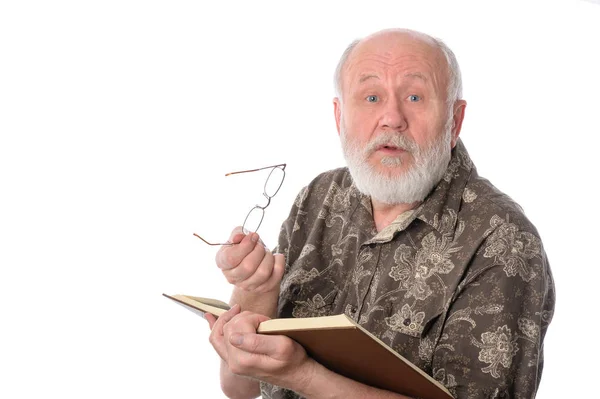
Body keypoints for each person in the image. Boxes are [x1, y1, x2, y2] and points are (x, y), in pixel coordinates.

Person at [204, 28, 555, 399]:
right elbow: (238, 387)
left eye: (415, 97)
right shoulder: (319, 198)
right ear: (340, 117)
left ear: (454, 120)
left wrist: (304, 376)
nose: (392, 117)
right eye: (371, 97)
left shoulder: (502, 239)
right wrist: (257, 287)